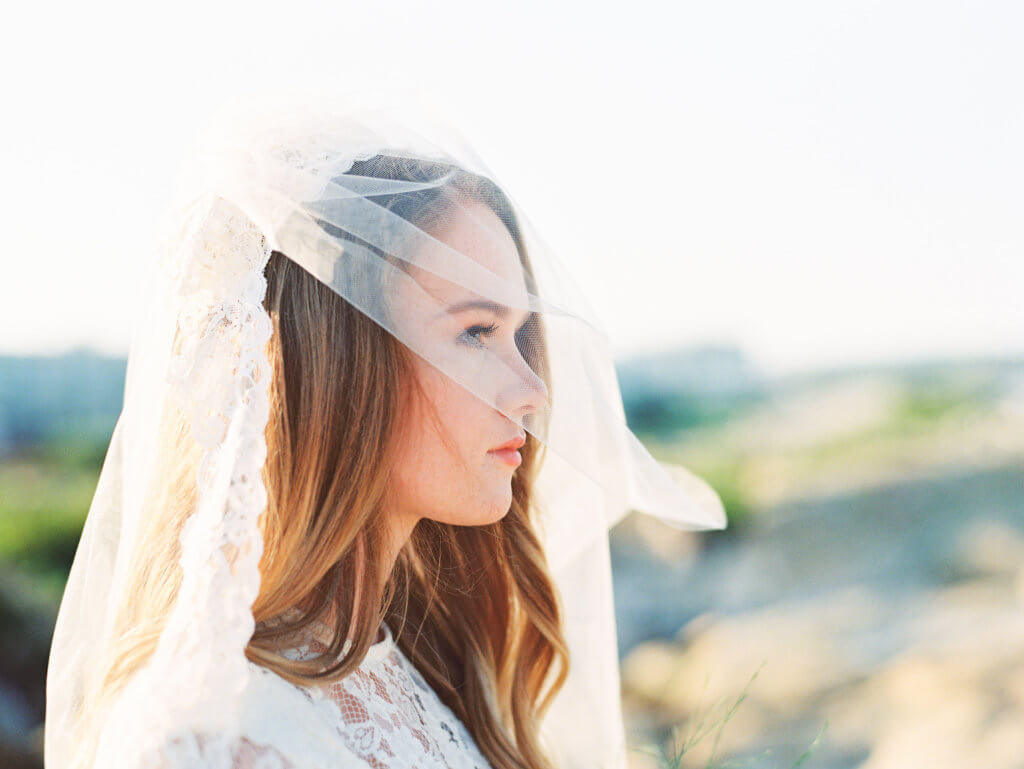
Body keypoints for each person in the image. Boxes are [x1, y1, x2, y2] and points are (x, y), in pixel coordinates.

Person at [43, 96, 727, 769]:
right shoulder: (203, 738)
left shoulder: (417, 669)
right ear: (343, 361)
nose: (531, 389)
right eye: (477, 332)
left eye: (522, 337)